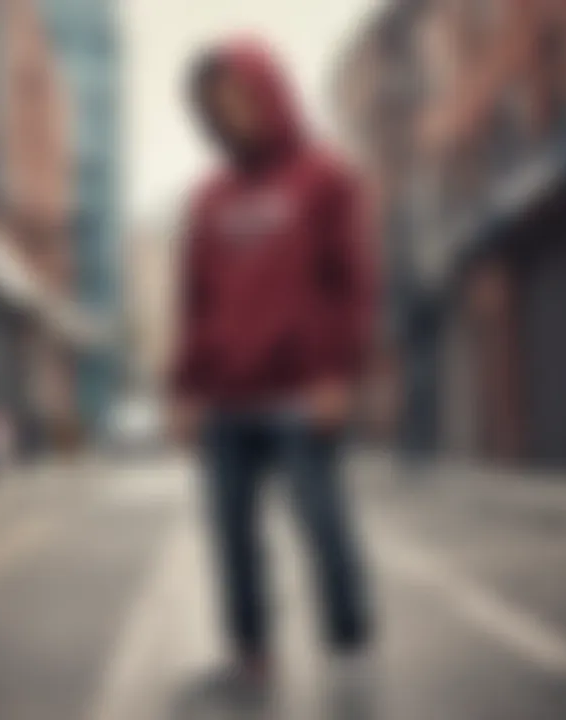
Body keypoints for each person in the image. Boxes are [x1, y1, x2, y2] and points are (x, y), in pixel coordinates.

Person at [169, 38, 377, 704]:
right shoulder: (206, 200)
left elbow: (352, 283)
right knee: (230, 533)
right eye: (211, 108)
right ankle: (249, 655)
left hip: (299, 390)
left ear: (267, 92)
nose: (227, 115)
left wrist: (338, 374)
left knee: (321, 522)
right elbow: (194, 300)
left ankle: (349, 644)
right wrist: (185, 388)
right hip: (228, 396)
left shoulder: (327, 177)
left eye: (234, 97)